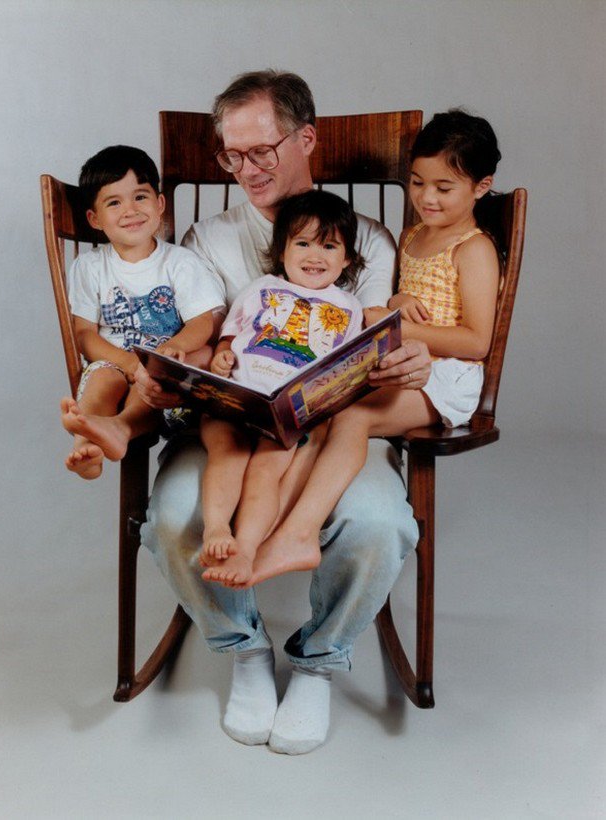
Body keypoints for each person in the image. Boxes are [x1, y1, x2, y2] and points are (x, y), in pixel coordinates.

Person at [135, 70, 432, 755]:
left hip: (331, 430)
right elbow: (207, 335)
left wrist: (407, 360)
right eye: (231, 156)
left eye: (262, 150)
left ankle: (320, 662)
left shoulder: (371, 245)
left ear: (306, 139)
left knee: (379, 523)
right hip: (231, 432)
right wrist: (198, 365)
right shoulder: (209, 240)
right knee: (178, 518)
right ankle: (242, 647)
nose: (247, 169)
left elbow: (380, 340)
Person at [254, 110, 502, 584]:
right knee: (323, 408)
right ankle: (272, 525)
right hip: (404, 364)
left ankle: (300, 532)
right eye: (416, 183)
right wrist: (398, 301)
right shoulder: (414, 235)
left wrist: (393, 324)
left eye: (443, 188)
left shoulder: (474, 249)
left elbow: (476, 341)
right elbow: (411, 302)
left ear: (481, 185)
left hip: (448, 377)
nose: (426, 198)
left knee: (351, 414)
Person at [200, 189, 366, 587]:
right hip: (236, 398)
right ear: (282, 252)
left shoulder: (347, 307)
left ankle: (245, 549)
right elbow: (231, 332)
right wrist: (222, 353)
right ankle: (216, 529)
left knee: (263, 473)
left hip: (288, 414)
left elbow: (345, 366)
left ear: (346, 259)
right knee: (227, 453)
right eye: (303, 243)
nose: (315, 255)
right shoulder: (261, 288)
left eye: (329, 246)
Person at [60, 145, 224, 479]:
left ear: (160, 204)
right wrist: (130, 364)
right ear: (94, 218)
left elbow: (202, 322)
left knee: (151, 380)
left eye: (140, 197)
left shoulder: (180, 262)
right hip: (115, 362)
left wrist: (170, 351)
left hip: (164, 375)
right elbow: (85, 334)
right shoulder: (90, 267)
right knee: (103, 377)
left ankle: (120, 428)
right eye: (114, 202)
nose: (130, 210)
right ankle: (85, 448)